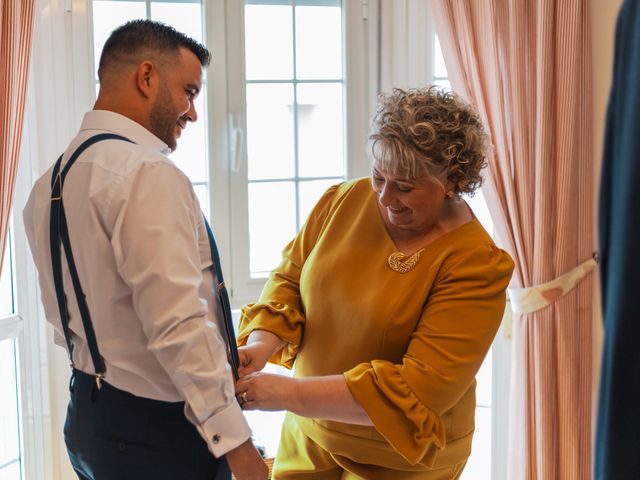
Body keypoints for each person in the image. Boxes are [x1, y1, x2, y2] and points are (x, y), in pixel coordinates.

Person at [23, 20, 267, 480]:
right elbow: (178, 323)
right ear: (147, 76)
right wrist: (240, 447)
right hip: (160, 437)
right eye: (189, 91)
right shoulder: (146, 173)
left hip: (87, 420)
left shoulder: (48, 182)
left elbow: (64, 321)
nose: (193, 113)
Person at [235, 87, 515, 479]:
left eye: (405, 186)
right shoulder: (344, 201)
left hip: (399, 459)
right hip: (311, 433)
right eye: (378, 176)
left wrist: (287, 393)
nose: (385, 197)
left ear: (451, 180)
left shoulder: (476, 265)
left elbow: (417, 389)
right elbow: (289, 278)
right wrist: (262, 345)